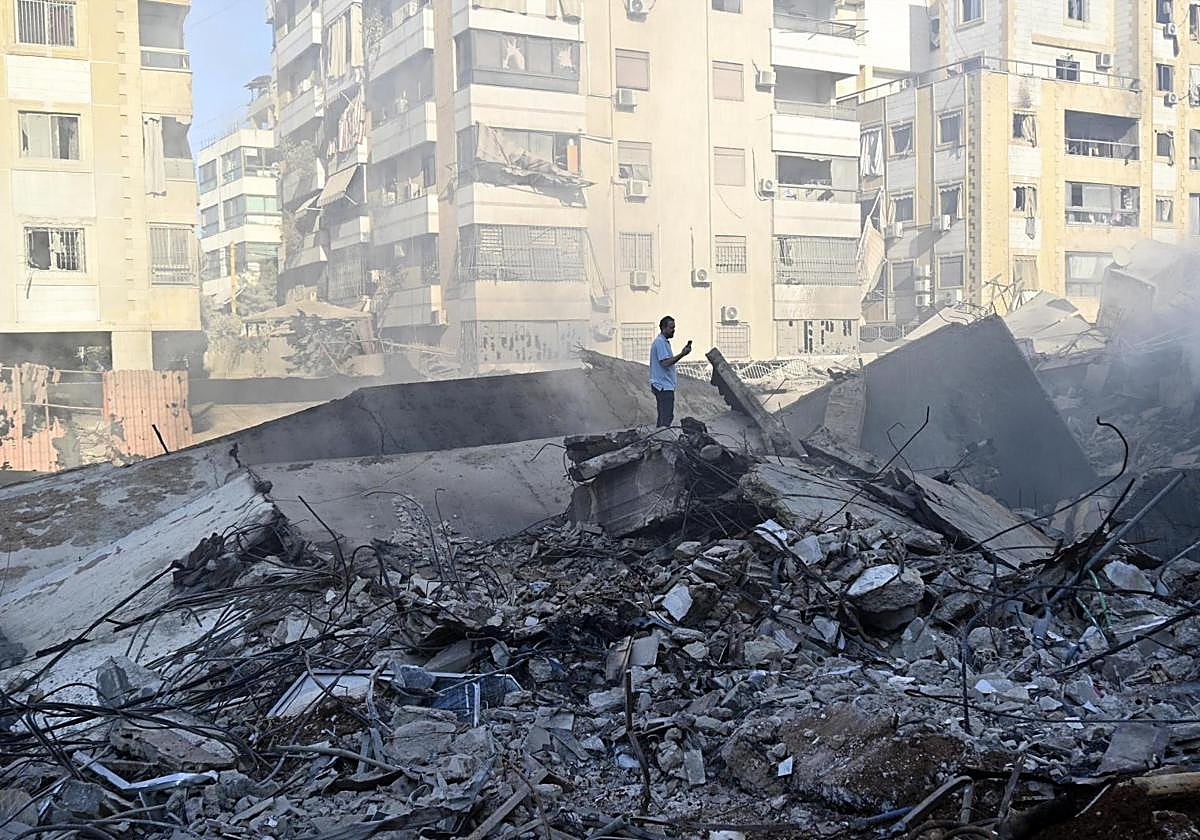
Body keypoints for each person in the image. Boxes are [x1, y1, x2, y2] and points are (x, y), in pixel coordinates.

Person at [649, 315, 692, 428]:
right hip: (663, 386)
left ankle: (659, 438)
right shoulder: (660, 342)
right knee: (666, 417)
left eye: (674, 327)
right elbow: (665, 363)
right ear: (663, 328)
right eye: (671, 328)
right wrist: (682, 354)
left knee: (665, 416)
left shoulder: (663, 342)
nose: (673, 330)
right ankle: (661, 439)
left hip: (664, 385)